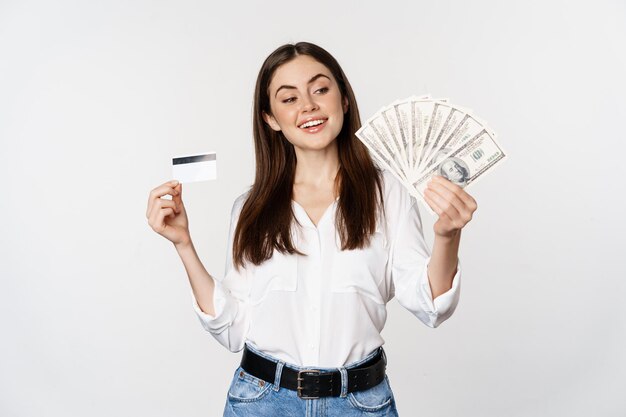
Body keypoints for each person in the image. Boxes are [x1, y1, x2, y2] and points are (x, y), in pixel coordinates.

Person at [146, 42, 477, 416]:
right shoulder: (249, 208)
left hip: (360, 403)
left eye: (320, 89)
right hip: (261, 402)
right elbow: (232, 329)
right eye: (288, 99)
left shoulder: (389, 194)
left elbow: (429, 304)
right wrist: (184, 244)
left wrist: (447, 235)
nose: (309, 106)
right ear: (270, 119)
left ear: (344, 100)